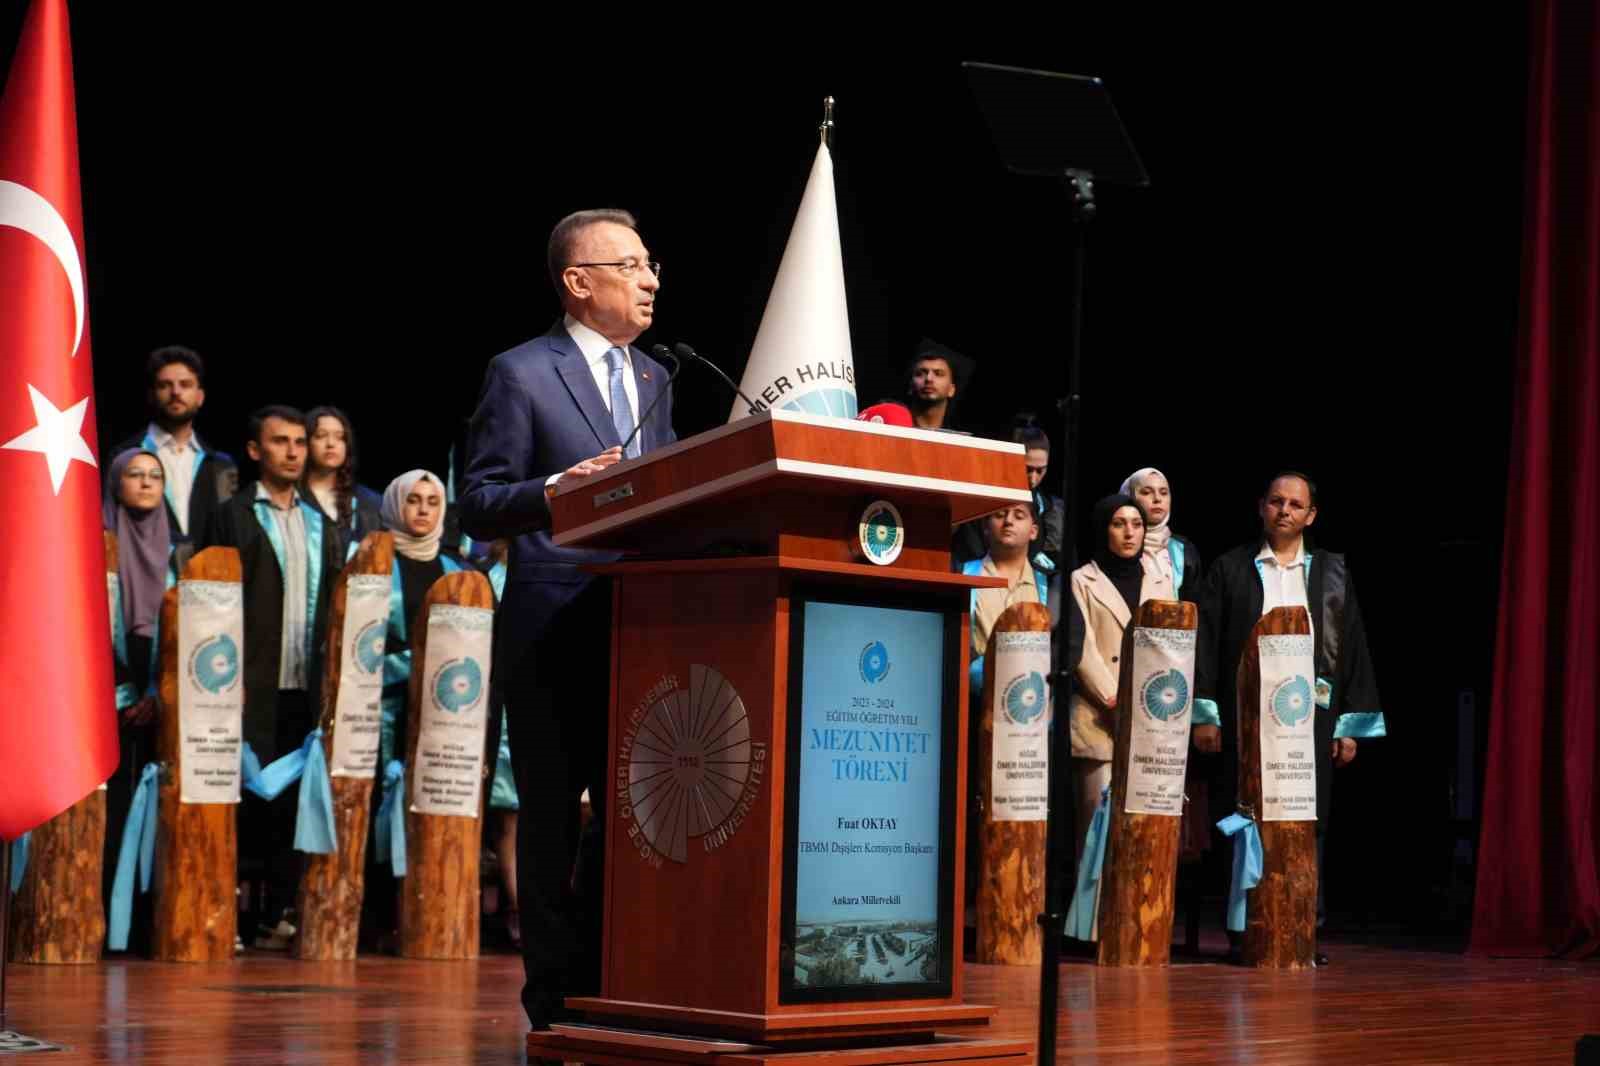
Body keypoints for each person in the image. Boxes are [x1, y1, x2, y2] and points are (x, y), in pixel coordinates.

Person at [459, 208, 675, 1029]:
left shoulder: (657, 378)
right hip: (552, 623)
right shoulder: (520, 373)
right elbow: (479, 503)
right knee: (551, 816)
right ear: (579, 283)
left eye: (653, 265)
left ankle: (617, 977)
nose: (651, 279)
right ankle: (553, 1000)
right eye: (632, 265)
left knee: (634, 813)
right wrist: (553, 492)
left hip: (644, 621)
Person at [1192, 472, 1386, 963]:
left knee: (1307, 822)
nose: (1285, 510)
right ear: (1262, 507)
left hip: (1309, 719)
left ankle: (1302, 930)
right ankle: (1245, 928)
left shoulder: (1331, 574)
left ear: (1310, 515)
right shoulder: (1231, 568)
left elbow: (1353, 651)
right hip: (1247, 718)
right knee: (1247, 818)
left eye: (1295, 504)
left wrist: (1348, 726)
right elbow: (1207, 647)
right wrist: (1206, 715)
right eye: (1276, 501)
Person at [193, 405, 344, 946]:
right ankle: (223, 911)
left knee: (287, 804)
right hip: (240, 685)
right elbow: (211, 600)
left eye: (300, 442)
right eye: (280, 442)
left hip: (301, 686)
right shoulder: (232, 514)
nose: (294, 452)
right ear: (256, 450)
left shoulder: (321, 524)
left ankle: (276, 912)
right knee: (236, 800)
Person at [363, 468, 468, 950]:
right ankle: (377, 918)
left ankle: (425, 916)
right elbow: (357, 643)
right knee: (377, 812)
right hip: (378, 712)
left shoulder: (460, 570)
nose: (423, 510)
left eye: (432, 501)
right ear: (394, 506)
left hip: (443, 716)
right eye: (413, 501)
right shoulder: (369, 561)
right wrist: (415, 663)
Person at [1065, 494, 1175, 939]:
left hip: (1152, 721)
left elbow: (1174, 646)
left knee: (1145, 827)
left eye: (1136, 523)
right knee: (1098, 827)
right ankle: (1094, 929)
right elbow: (1082, 648)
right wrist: (1114, 700)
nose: (1129, 532)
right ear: (1103, 529)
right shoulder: (1080, 579)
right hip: (1100, 717)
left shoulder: (1161, 580)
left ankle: (1138, 926)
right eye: (1118, 523)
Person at [100, 447, 176, 953]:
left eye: (156, 476)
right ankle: (106, 919)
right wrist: (124, 689)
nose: (147, 483)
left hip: (161, 703)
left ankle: (149, 926)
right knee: (112, 807)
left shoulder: (181, 554)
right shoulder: (96, 545)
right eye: (135, 474)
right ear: (115, 483)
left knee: (159, 811)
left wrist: (156, 691)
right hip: (105, 699)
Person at [108, 346, 237, 569]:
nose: (176, 392)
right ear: (151, 394)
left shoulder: (221, 465)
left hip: (209, 588)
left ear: (200, 396)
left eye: (185, 385)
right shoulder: (125, 457)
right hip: (143, 582)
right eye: (165, 385)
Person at [301, 405, 382, 560]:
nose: (331, 443)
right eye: (320, 435)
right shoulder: (292, 498)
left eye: (340, 437)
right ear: (305, 443)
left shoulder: (370, 503)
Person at [1118, 467, 1202, 602]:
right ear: (1130, 497)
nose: (1157, 499)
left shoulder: (1182, 549)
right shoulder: (1118, 545)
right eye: (1146, 492)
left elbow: (1194, 608)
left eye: (1164, 493)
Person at [905, 338, 974, 432]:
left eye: (938, 374)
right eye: (921, 373)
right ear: (910, 386)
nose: (929, 379)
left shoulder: (959, 439)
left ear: (952, 389)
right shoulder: (892, 428)